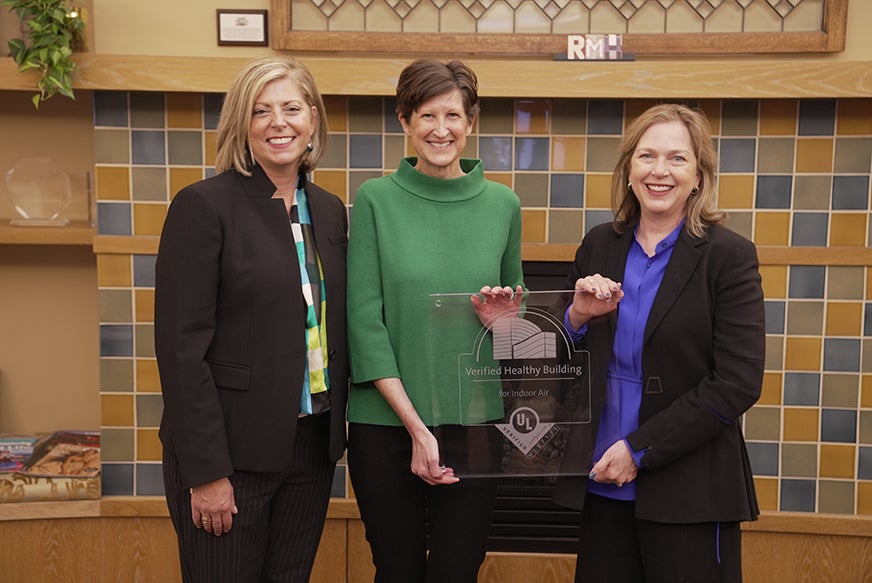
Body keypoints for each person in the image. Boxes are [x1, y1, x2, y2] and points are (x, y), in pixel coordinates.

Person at [154, 56, 348, 583]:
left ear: (313, 118)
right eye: (261, 111)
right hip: (230, 455)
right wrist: (207, 472)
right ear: (242, 123)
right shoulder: (202, 206)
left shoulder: (330, 211)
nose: (278, 122)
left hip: (310, 448)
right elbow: (180, 349)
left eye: (291, 108)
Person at [553, 103, 764, 582]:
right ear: (629, 170)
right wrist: (576, 317)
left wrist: (639, 449)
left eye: (677, 158)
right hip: (601, 478)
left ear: (698, 175)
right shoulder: (598, 245)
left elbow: (738, 382)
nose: (660, 171)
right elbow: (560, 362)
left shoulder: (728, 257)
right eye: (647, 156)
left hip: (689, 490)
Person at [345, 59, 524, 583]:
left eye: (453, 115)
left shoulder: (504, 205)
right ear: (404, 120)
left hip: (473, 421)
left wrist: (507, 321)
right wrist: (418, 430)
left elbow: (515, 324)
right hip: (386, 425)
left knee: (457, 570)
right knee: (396, 570)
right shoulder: (376, 200)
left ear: (470, 121)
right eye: (426, 115)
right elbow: (364, 322)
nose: (440, 129)